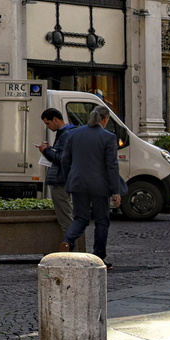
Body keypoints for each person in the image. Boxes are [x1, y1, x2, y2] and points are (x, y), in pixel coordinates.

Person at [59, 104, 126, 265]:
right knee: (102, 221)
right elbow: (111, 165)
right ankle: (98, 257)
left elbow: (64, 159)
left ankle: (68, 241)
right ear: (106, 119)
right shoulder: (108, 137)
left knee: (80, 218)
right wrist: (115, 191)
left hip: (77, 182)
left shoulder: (74, 134)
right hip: (99, 185)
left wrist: (69, 177)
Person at [36, 108, 81, 252]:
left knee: (65, 219)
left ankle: (72, 252)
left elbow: (62, 159)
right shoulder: (68, 133)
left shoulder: (66, 134)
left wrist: (46, 151)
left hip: (60, 180)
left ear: (56, 119)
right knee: (67, 216)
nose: (47, 127)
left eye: (48, 123)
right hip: (64, 179)